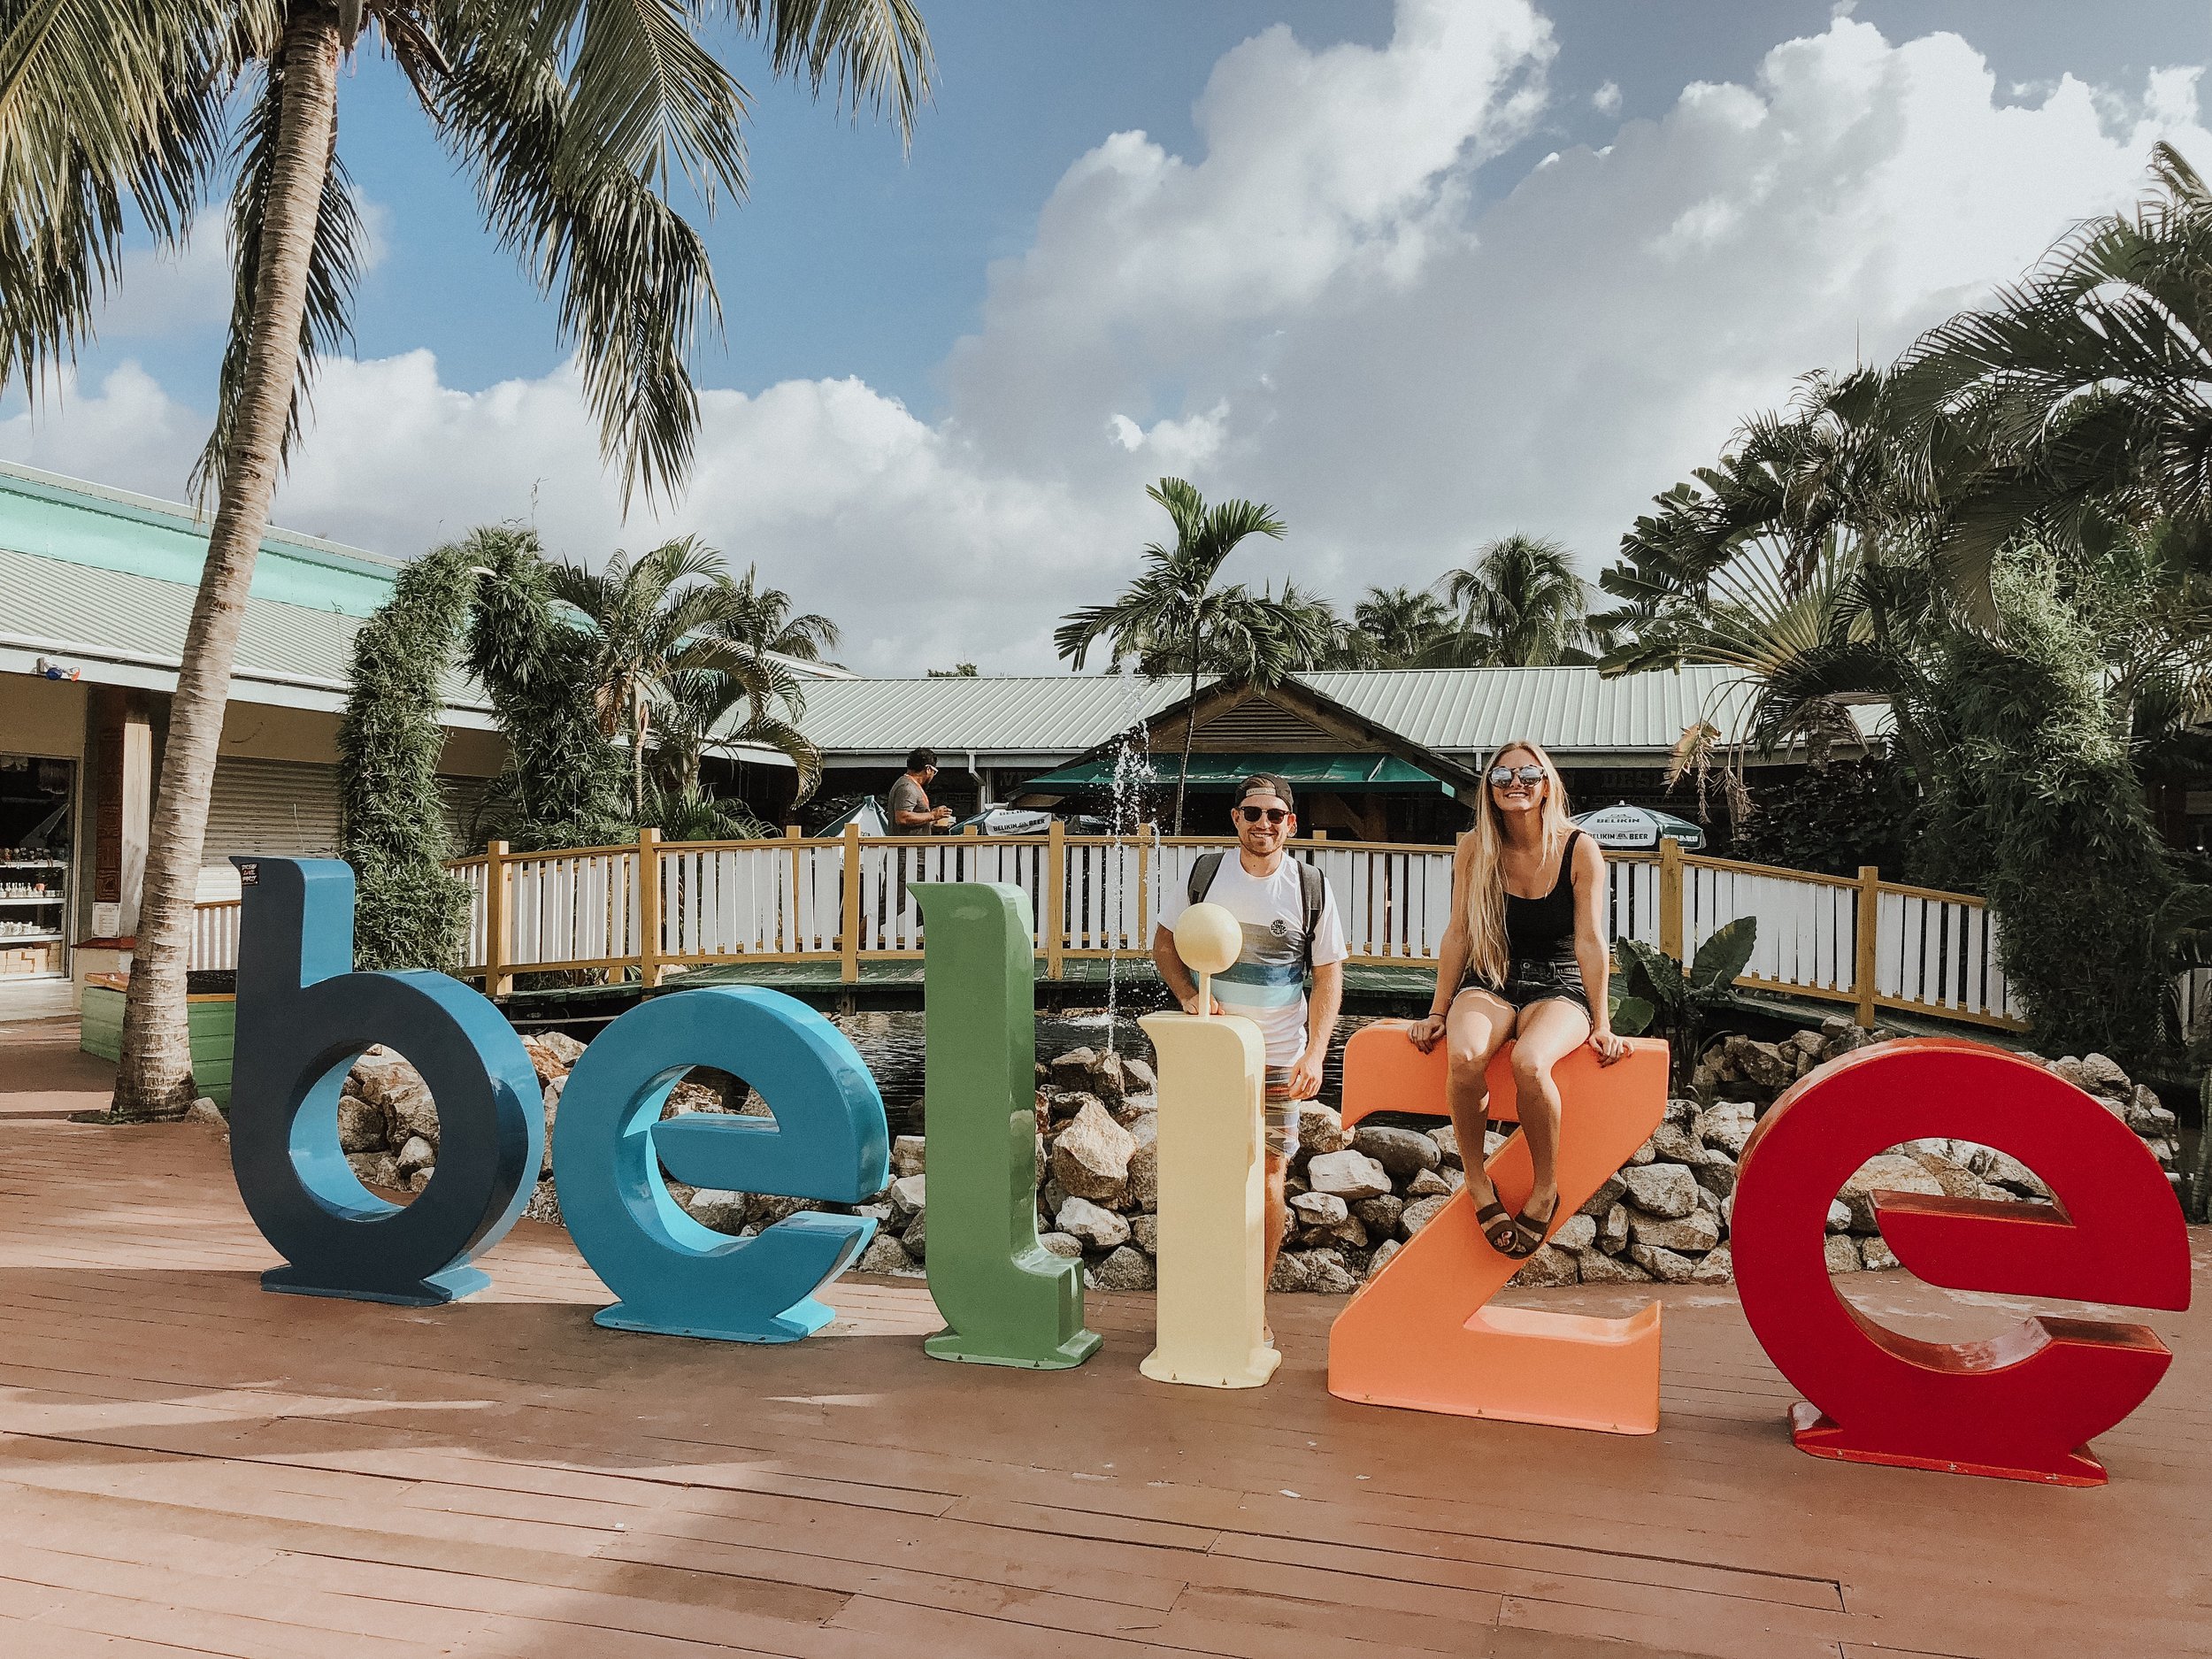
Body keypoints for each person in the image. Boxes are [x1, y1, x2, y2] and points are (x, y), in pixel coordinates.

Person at [1407, 739, 1628, 1258]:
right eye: (1502, 776)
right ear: (1489, 789)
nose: (1515, 784)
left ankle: (1545, 1187)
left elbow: (1591, 940)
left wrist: (1602, 1021)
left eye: (1528, 774)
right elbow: (1459, 932)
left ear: (1546, 783)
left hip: (1558, 982)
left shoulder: (1580, 848)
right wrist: (1437, 1011)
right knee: (1463, 1057)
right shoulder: (1474, 847)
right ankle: (1478, 1181)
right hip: (1491, 977)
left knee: (1531, 1061)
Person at [1153, 774, 1348, 1291]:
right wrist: (1190, 996)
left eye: (1275, 815)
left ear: (1291, 823)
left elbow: (1329, 974)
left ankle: (1250, 1300)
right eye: (1253, 813)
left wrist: (1317, 1054)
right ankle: (1203, 1297)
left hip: (1281, 1057)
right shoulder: (1205, 875)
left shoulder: (1310, 886)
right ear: (1236, 818)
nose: (1264, 824)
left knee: (1267, 1181)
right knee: (1205, 1175)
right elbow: (1164, 945)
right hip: (1211, 1056)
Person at [888, 748, 953, 835]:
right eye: (934, 772)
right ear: (928, 769)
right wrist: (933, 815)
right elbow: (902, 817)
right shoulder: (907, 787)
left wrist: (933, 823)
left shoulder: (910, 785)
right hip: (908, 848)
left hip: (914, 847)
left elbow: (910, 821)